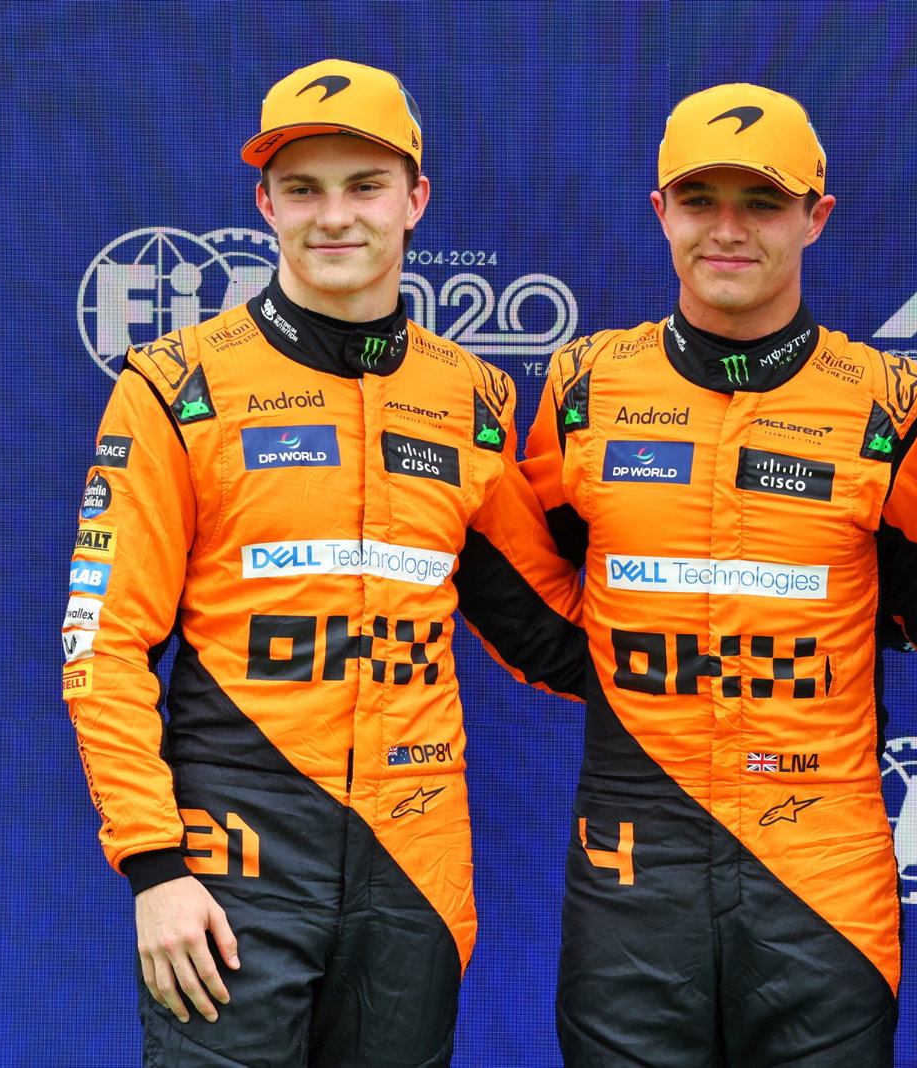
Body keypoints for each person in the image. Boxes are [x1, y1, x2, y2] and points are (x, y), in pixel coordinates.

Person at [60, 59, 583, 1066]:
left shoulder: (471, 397)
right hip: (231, 868)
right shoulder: (175, 386)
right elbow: (104, 645)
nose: (334, 216)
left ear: (415, 200)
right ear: (265, 204)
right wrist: (154, 866)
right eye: (303, 188)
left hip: (417, 866)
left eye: (365, 185)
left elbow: (547, 630)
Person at [521, 82, 917, 1066]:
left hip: (824, 873)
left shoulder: (891, 403)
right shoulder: (583, 387)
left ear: (817, 216)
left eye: (762, 202)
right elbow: (525, 590)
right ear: (660, 211)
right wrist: (628, 678)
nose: (727, 231)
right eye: (700, 201)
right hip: (632, 867)